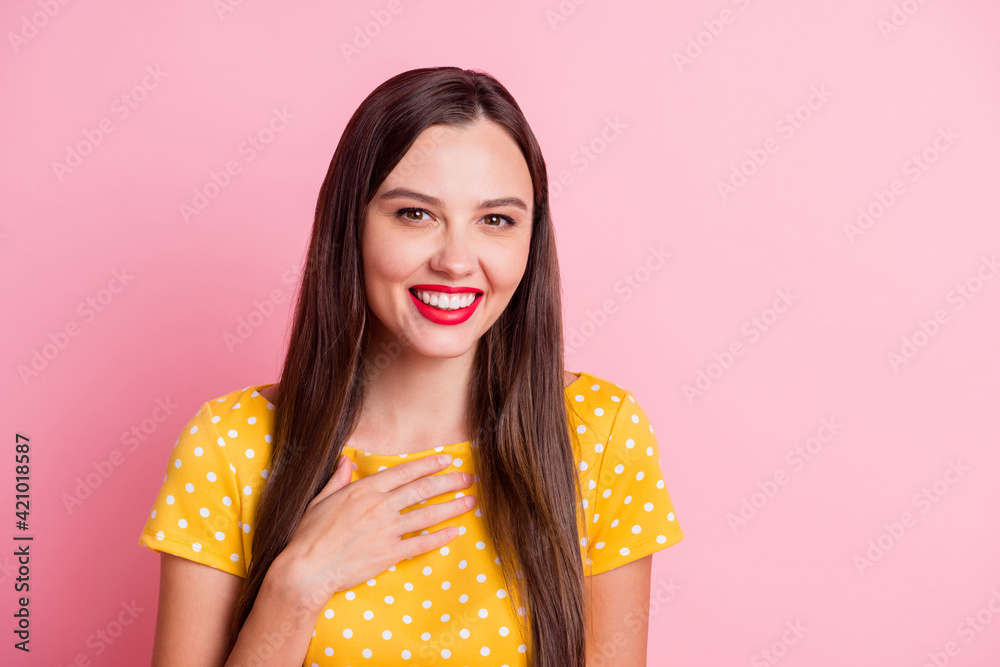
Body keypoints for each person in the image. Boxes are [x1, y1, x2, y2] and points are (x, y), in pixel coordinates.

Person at [137, 66, 684, 667]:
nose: (455, 260)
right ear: (353, 226)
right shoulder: (231, 446)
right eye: (414, 215)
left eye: (495, 220)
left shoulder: (600, 434)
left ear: (531, 240)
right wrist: (297, 587)